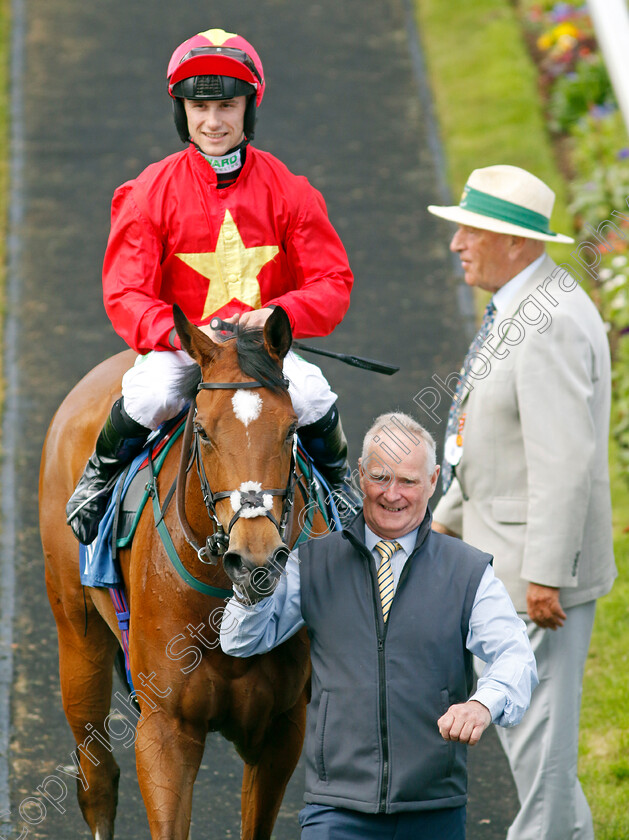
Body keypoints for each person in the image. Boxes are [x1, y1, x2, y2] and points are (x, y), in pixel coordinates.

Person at [66, 27, 359, 545]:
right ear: (182, 112)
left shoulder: (291, 192)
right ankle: (98, 480)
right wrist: (185, 335)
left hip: (261, 354)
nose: (213, 121)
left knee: (313, 393)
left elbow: (332, 282)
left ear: (249, 108)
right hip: (188, 351)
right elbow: (125, 295)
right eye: (198, 108)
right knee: (151, 391)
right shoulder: (148, 193)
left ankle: (342, 497)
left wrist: (279, 314)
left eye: (227, 105)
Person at [220, 411, 537, 839]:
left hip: (433, 808)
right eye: (380, 477)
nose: (393, 494)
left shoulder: (468, 571)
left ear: (433, 480)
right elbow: (242, 641)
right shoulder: (312, 563)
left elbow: (515, 654)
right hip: (335, 810)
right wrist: (251, 591)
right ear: (359, 477)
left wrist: (483, 703)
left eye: (407, 481)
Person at [428, 165, 617, 840]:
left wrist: (544, 574)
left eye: (469, 231)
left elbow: (563, 462)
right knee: (539, 755)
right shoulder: (524, 302)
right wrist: (445, 518)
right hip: (505, 562)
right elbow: (491, 435)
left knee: (536, 757)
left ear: (513, 243)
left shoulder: (547, 323)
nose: (456, 245)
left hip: (532, 579)